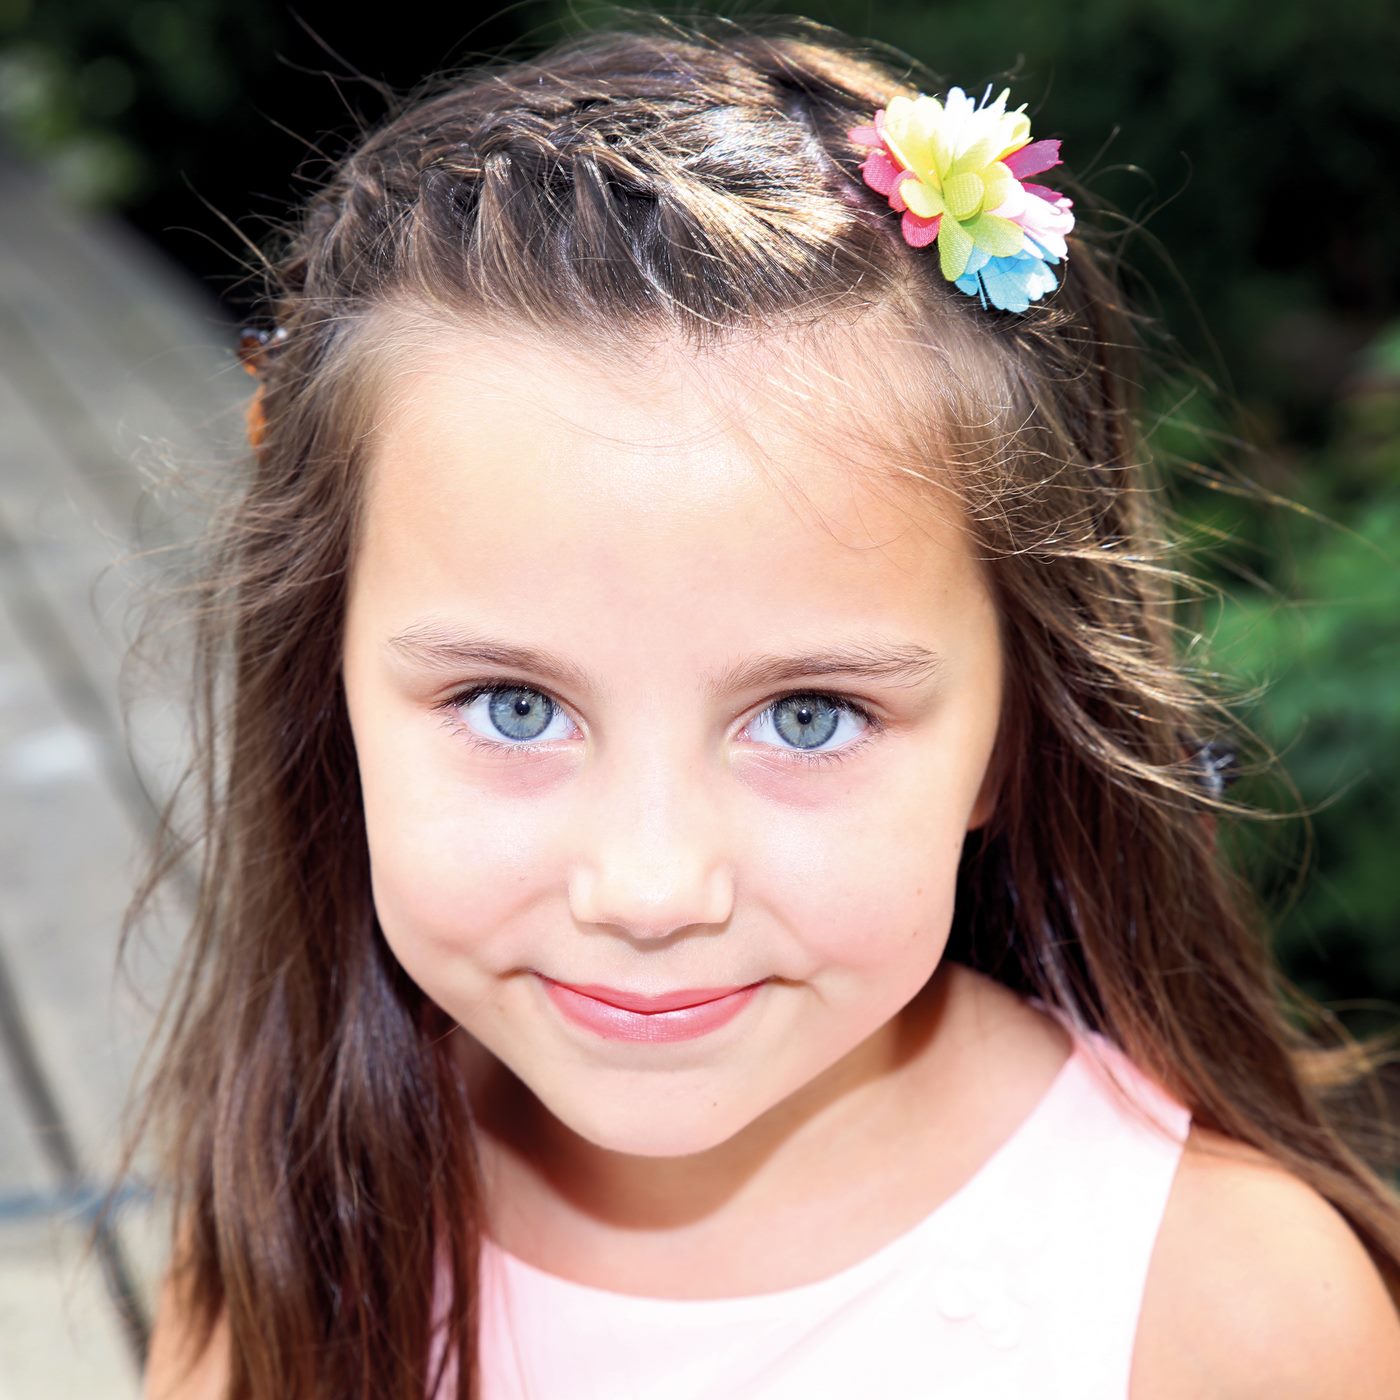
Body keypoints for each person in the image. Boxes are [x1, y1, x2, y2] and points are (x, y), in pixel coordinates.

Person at [123, 13, 1400, 1399]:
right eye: (510, 706)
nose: (652, 886)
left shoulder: (1225, 1306)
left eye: (808, 717)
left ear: (1014, 729)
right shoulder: (297, 1222)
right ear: (332, 692)